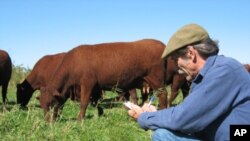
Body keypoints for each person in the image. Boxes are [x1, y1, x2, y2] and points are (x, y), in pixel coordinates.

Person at [127, 23, 250, 141]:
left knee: (163, 136)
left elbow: (183, 118)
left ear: (191, 54)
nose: (176, 67)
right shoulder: (209, 74)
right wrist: (156, 114)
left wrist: (144, 117)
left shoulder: (224, 72)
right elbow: (188, 112)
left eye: (176, 60)